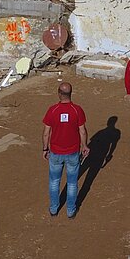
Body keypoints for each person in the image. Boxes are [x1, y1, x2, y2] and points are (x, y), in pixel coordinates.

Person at [42, 82, 89, 218]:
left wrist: (45, 148)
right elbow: (82, 131)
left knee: (54, 181)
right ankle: (70, 210)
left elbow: (46, 132)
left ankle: (54, 208)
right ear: (71, 93)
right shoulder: (77, 110)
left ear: (59, 93)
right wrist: (84, 146)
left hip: (55, 152)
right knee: (72, 182)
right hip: (73, 152)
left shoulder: (53, 110)